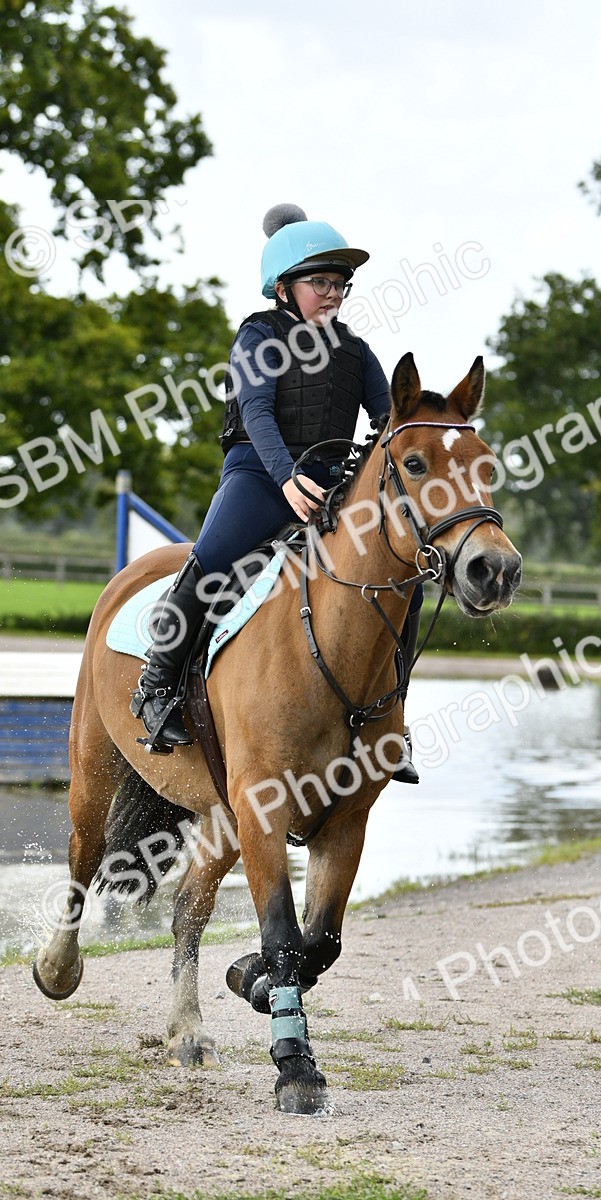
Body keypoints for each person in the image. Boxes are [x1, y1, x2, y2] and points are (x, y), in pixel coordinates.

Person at [131, 203, 422, 782]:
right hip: (261, 478)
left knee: (403, 581)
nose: (333, 293)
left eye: (340, 284)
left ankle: (391, 722)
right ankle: (157, 685)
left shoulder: (356, 351)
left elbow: (393, 418)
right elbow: (259, 413)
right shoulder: (258, 337)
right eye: (321, 283)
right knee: (212, 560)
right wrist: (287, 478)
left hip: (333, 488)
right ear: (284, 288)